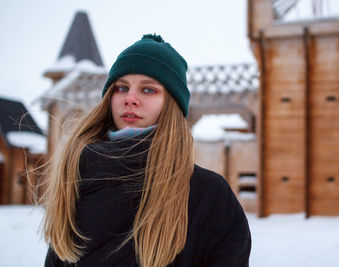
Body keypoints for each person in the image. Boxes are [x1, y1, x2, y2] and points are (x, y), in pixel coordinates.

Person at [42, 34, 251, 267]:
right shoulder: (76, 177)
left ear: (170, 104)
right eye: (121, 87)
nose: (130, 98)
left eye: (149, 90)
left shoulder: (210, 196)